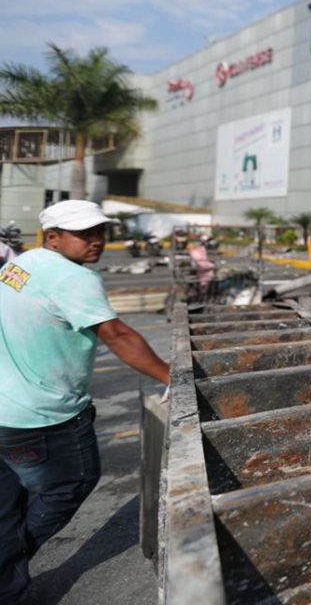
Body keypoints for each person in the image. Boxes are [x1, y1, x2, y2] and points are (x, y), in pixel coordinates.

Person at [0, 200, 170, 602]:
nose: (96, 241)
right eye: (85, 234)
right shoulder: (74, 278)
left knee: (6, 505)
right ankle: (7, 566)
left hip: (5, 409)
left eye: (100, 232)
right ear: (53, 237)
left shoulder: (20, 265)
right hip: (43, 415)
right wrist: (172, 377)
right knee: (71, 482)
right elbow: (118, 335)